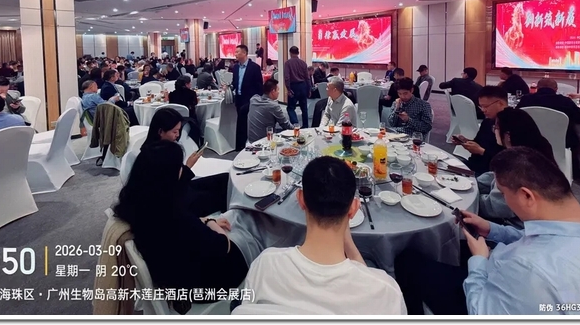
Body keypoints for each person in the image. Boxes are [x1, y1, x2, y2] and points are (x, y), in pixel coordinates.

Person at [394, 147, 580, 315]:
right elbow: (543, 239)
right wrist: (493, 229)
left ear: (526, 196)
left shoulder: (530, 269)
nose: (504, 199)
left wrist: (479, 262)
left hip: (488, 292)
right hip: (520, 283)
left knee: (406, 259)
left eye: (504, 193)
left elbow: (480, 311)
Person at [234, 156, 406, 315]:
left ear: (301, 199)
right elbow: (365, 275)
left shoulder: (264, 265)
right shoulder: (386, 292)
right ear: (354, 209)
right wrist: (349, 245)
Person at [113, 140, 247, 313]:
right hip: (203, 286)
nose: (182, 170)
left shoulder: (139, 206)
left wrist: (202, 221)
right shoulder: (175, 216)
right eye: (179, 167)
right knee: (244, 233)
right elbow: (223, 246)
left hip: (173, 273)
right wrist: (211, 222)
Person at [141, 109, 225, 216]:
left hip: (182, 190)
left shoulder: (163, 148)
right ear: (161, 131)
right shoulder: (155, 156)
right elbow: (172, 190)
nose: (177, 135)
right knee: (219, 196)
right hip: (175, 204)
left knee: (224, 179)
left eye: (179, 130)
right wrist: (188, 166)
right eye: (174, 132)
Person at [478, 109, 555, 222]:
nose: (494, 131)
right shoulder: (538, 147)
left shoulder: (518, 166)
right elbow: (494, 176)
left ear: (508, 136)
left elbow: (494, 208)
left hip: (516, 225)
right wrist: (474, 184)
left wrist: (470, 197)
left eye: (496, 128)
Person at [516, 78, 580, 148]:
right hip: (562, 144)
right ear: (556, 89)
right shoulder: (565, 101)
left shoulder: (526, 99)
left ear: (537, 88)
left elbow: (516, 116)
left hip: (530, 143)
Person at [453, 86, 507, 176]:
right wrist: (465, 141)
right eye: (481, 106)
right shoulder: (487, 122)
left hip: (491, 173)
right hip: (473, 165)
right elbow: (479, 142)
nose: (483, 110)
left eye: (485, 106)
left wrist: (481, 151)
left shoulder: (512, 125)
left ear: (500, 103)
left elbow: (508, 161)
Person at [232, 45, 263, 150]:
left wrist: (257, 100)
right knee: (240, 121)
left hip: (250, 99)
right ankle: (240, 145)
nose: (235, 54)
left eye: (237, 52)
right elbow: (235, 82)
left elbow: (259, 86)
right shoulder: (235, 67)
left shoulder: (254, 67)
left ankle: (250, 143)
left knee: (248, 122)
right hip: (239, 98)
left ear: (244, 53)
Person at [247, 78, 293, 142]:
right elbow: (285, 124)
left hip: (251, 140)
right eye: (278, 90)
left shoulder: (253, 100)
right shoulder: (273, 106)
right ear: (273, 91)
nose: (278, 92)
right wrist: (297, 130)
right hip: (264, 140)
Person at [284, 46, 312, 129]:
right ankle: (305, 126)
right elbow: (307, 77)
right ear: (298, 53)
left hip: (293, 87)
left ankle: (296, 125)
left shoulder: (288, 63)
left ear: (290, 53)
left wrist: (288, 89)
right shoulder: (303, 63)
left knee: (290, 108)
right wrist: (309, 89)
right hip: (303, 86)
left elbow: (287, 77)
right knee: (304, 108)